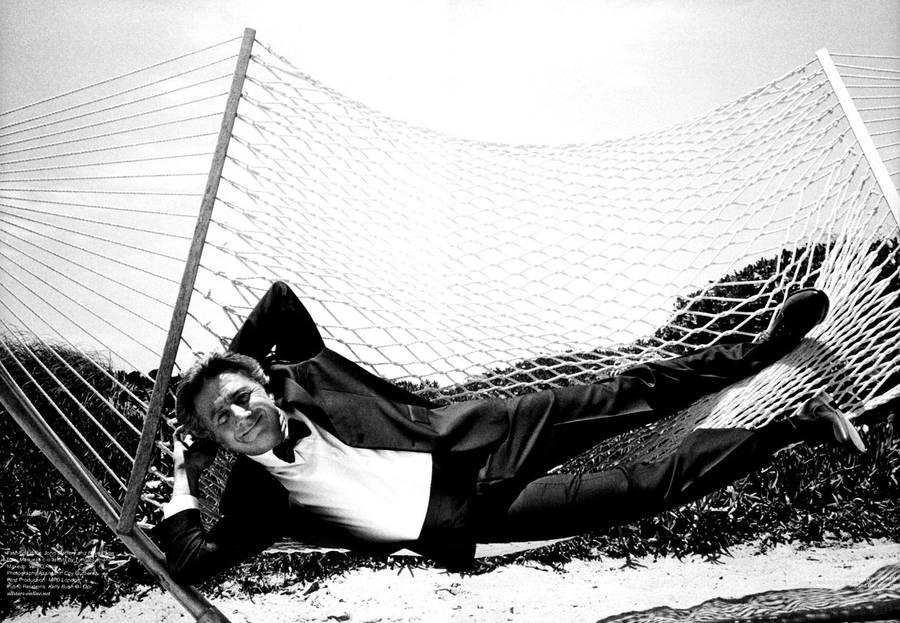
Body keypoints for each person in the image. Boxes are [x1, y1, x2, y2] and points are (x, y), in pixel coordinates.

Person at [154, 281, 865, 585]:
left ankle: (758, 351)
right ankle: (792, 429)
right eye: (223, 416)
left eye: (241, 398)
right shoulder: (256, 498)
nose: (240, 415)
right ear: (217, 434)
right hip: (471, 518)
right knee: (645, 487)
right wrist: (188, 472)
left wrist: (222, 375)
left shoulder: (306, 375)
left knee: (628, 392)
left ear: (259, 384)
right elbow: (194, 559)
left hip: (481, 435)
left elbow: (279, 301)